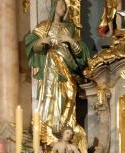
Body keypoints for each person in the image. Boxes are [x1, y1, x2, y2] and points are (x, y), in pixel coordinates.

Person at [25, 0, 90, 135]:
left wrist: (70, 40)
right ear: (54, 7)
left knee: (70, 92)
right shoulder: (45, 27)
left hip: (68, 66)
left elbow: (80, 52)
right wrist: (41, 41)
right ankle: (51, 127)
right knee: (52, 93)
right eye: (61, 5)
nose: (64, 8)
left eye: (65, 6)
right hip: (51, 68)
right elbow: (32, 46)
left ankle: (66, 126)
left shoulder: (70, 27)